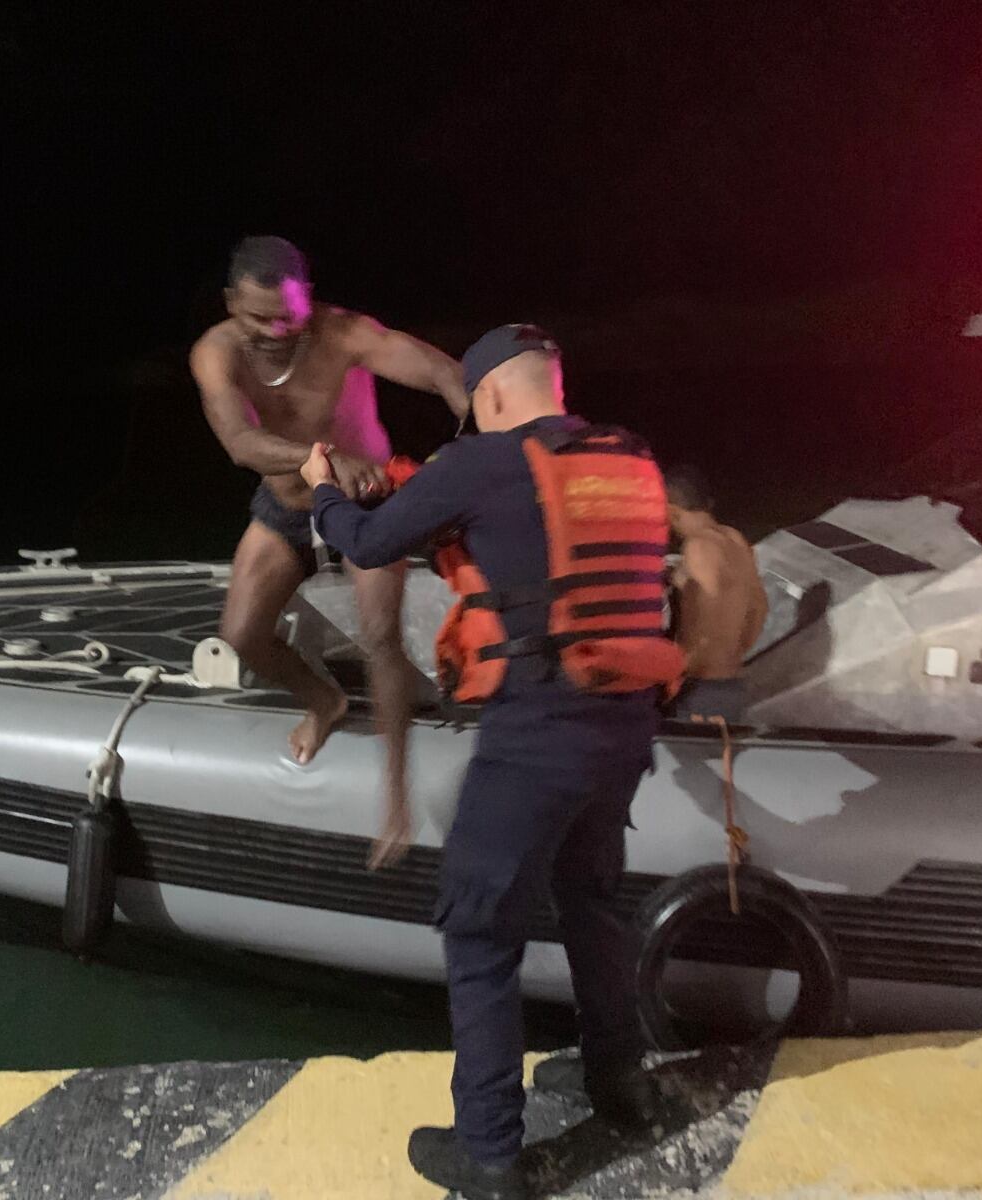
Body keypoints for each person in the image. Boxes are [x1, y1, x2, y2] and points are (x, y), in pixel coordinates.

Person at [301, 325, 680, 1200]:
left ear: (493, 399)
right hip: (624, 727)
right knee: (591, 903)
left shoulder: (484, 463)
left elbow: (364, 542)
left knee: (478, 932)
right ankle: (620, 1081)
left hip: (535, 737)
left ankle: (490, 1153)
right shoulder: (626, 457)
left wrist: (324, 490)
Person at [190, 236, 467, 867]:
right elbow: (239, 441)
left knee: (380, 637)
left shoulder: (344, 334)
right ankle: (326, 702)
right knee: (241, 633)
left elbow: (445, 373)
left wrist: (473, 441)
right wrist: (320, 461)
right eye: (257, 315)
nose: (273, 329)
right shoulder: (216, 353)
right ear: (232, 301)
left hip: (368, 507)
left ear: (306, 302)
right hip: (288, 508)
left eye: (287, 314)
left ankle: (395, 797)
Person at [663, 465, 768, 722]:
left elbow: (704, 626)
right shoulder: (735, 539)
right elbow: (760, 608)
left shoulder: (698, 547)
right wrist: (732, 654)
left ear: (671, 510)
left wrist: (675, 679)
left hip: (699, 690)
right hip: (731, 683)